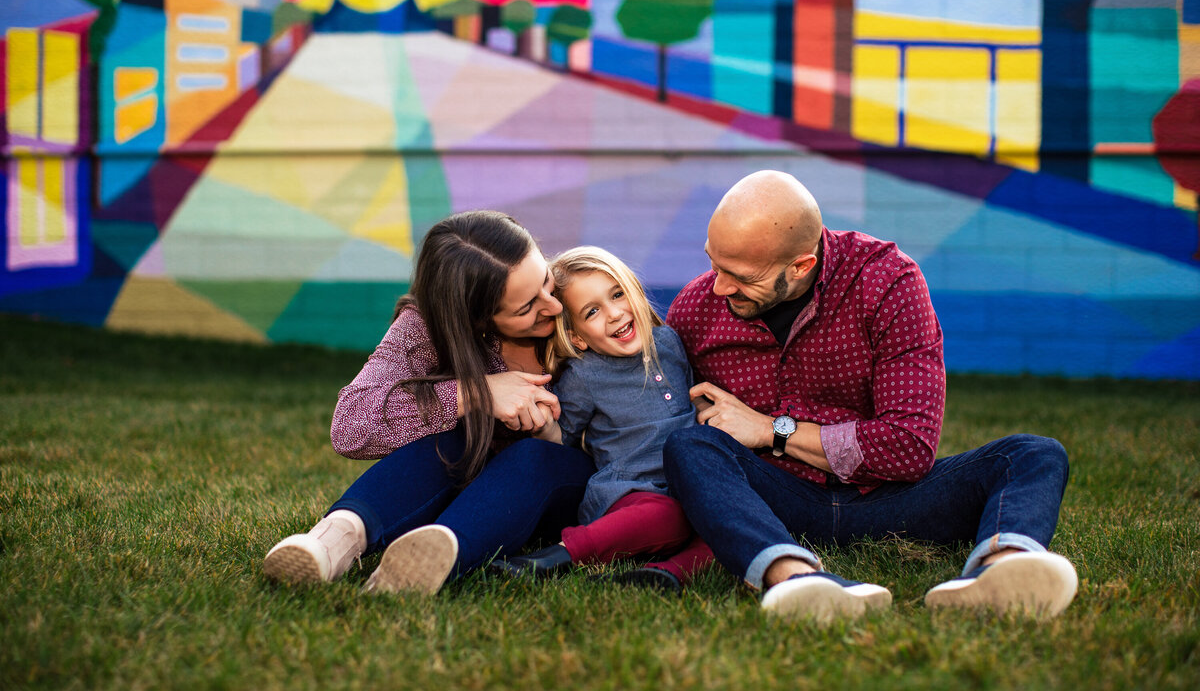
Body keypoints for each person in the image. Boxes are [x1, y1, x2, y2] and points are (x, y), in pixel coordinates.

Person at [662, 170, 1077, 623]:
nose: (719, 286)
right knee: (690, 447)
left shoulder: (886, 282)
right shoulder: (696, 309)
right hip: (773, 501)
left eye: (740, 276)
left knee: (1032, 455)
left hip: (893, 499)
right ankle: (795, 579)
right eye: (714, 263)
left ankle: (1002, 574)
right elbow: (666, 423)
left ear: (800, 265)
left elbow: (909, 448)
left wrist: (769, 431)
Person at [263, 210, 594, 595]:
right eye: (526, 309)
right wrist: (474, 392)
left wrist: (551, 434)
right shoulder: (425, 327)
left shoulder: (580, 295)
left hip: (564, 487)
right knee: (448, 442)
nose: (552, 306)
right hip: (469, 490)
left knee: (531, 458)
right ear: (476, 320)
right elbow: (351, 427)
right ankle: (330, 544)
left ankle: (430, 561)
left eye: (545, 282)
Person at [488, 247, 713, 593]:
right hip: (631, 492)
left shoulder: (669, 342)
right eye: (592, 311)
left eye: (618, 294)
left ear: (634, 290)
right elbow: (563, 439)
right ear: (577, 336)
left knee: (721, 523)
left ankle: (664, 574)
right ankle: (554, 558)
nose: (614, 313)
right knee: (667, 516)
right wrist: (547, 427)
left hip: (690, 483)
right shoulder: (584, 374)